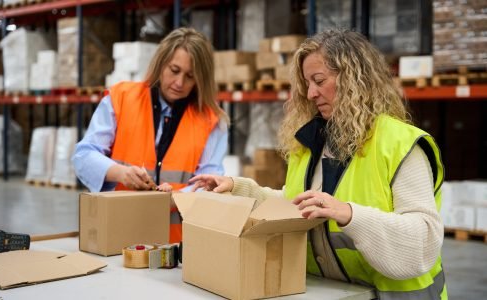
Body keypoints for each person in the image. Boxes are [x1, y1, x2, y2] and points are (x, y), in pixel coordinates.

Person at [189, 28, 447, 299]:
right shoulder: (312, 142)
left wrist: (349, 214)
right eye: (307, 83)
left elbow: (424, 240)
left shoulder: (401, 144)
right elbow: (296, 203)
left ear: (354, 79)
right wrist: (239, 188)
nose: (311, 93)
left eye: (319, 80)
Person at [72, 27, 229, 243]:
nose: (179, 83)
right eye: (174, 70)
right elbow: (83, 156)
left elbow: (211, 183)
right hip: (118, 235)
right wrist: (120, 173)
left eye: (190, 77)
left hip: (175, 246)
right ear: (160, 63)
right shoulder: (121, 98)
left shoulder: (212, 121)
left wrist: (177, 198)